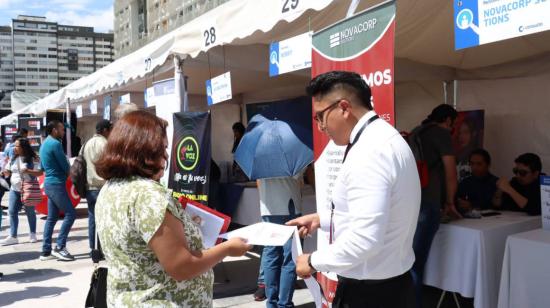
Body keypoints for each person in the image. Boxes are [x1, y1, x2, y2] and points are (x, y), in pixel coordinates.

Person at [287, 71, 420, 308]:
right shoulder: (387, 137)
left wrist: (313, 261)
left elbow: (365, 240)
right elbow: (379, 214)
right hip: (393, 286)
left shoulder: (369, 151)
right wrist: (322, 219)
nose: (320, 127)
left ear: (344, 108)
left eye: (320, 117)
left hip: (370, 294)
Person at [94, 110, 251, 307]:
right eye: (162, 148)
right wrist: (226, 248)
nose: (167, 155)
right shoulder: (148, 196)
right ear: (145, 151)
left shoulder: (110, 188)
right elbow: (181, 266)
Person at [410, 104, 460, 307]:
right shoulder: (441, 134)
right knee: (416, 263)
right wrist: (450, 202)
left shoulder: (416, 131)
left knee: (409, 259)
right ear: (448, 120)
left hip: (410, 201)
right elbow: (451, 173)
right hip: (428, 202)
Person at [258, 174, 303, 307]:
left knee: (271, 254)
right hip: (289, 204)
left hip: (268, 207)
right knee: (290, 257)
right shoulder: (294, 153)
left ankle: (272, 302)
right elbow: (299, 175)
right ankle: (284, 304)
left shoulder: (257, 154)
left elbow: (258, 180)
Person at [39, 120, 75, 261]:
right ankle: (60, 246)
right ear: (54, 130)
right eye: (61, 129)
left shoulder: (44, 144)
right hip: (56, 184)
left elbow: (42, 167)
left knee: (52, 218)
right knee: (70, 214)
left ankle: (46, 251)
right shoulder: (55, 144)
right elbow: (65, 166)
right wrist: (68, 172)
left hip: (49, 183)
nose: (63, 132)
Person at [0, 138, 43, 245]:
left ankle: (32, 233)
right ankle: (13, 236)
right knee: (12, 211)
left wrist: (28, 171)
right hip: (14, 189)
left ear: (23, 147)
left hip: (27, 189)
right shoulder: (13, 158)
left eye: (17, 146)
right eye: (14, 145)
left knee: (30, 212)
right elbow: (8, 171)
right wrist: (5, 172)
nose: (15, 148)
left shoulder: (33, 158)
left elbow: (39, 173)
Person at [82, 119, 112, 253]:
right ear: (105, 130)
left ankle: (93, 248)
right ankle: (102, 248)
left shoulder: (86, 144)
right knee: (105, 218)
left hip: (89, 187)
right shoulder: (105, 144)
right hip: (102, 187)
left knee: (92, 218)